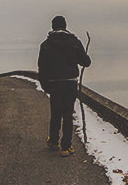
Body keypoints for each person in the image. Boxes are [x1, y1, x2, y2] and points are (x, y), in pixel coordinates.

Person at [37, 15, 91, 156]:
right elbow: (85, 62)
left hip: (54, 83)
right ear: (65, 26)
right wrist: (86, 58)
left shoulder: (46, 44)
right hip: (70, 83)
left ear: (53, 27)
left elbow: (42, 68)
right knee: (68, 114)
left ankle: (53, 141)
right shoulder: (74, 42)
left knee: (55, 113)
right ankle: (66, 147)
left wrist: (45, 85)